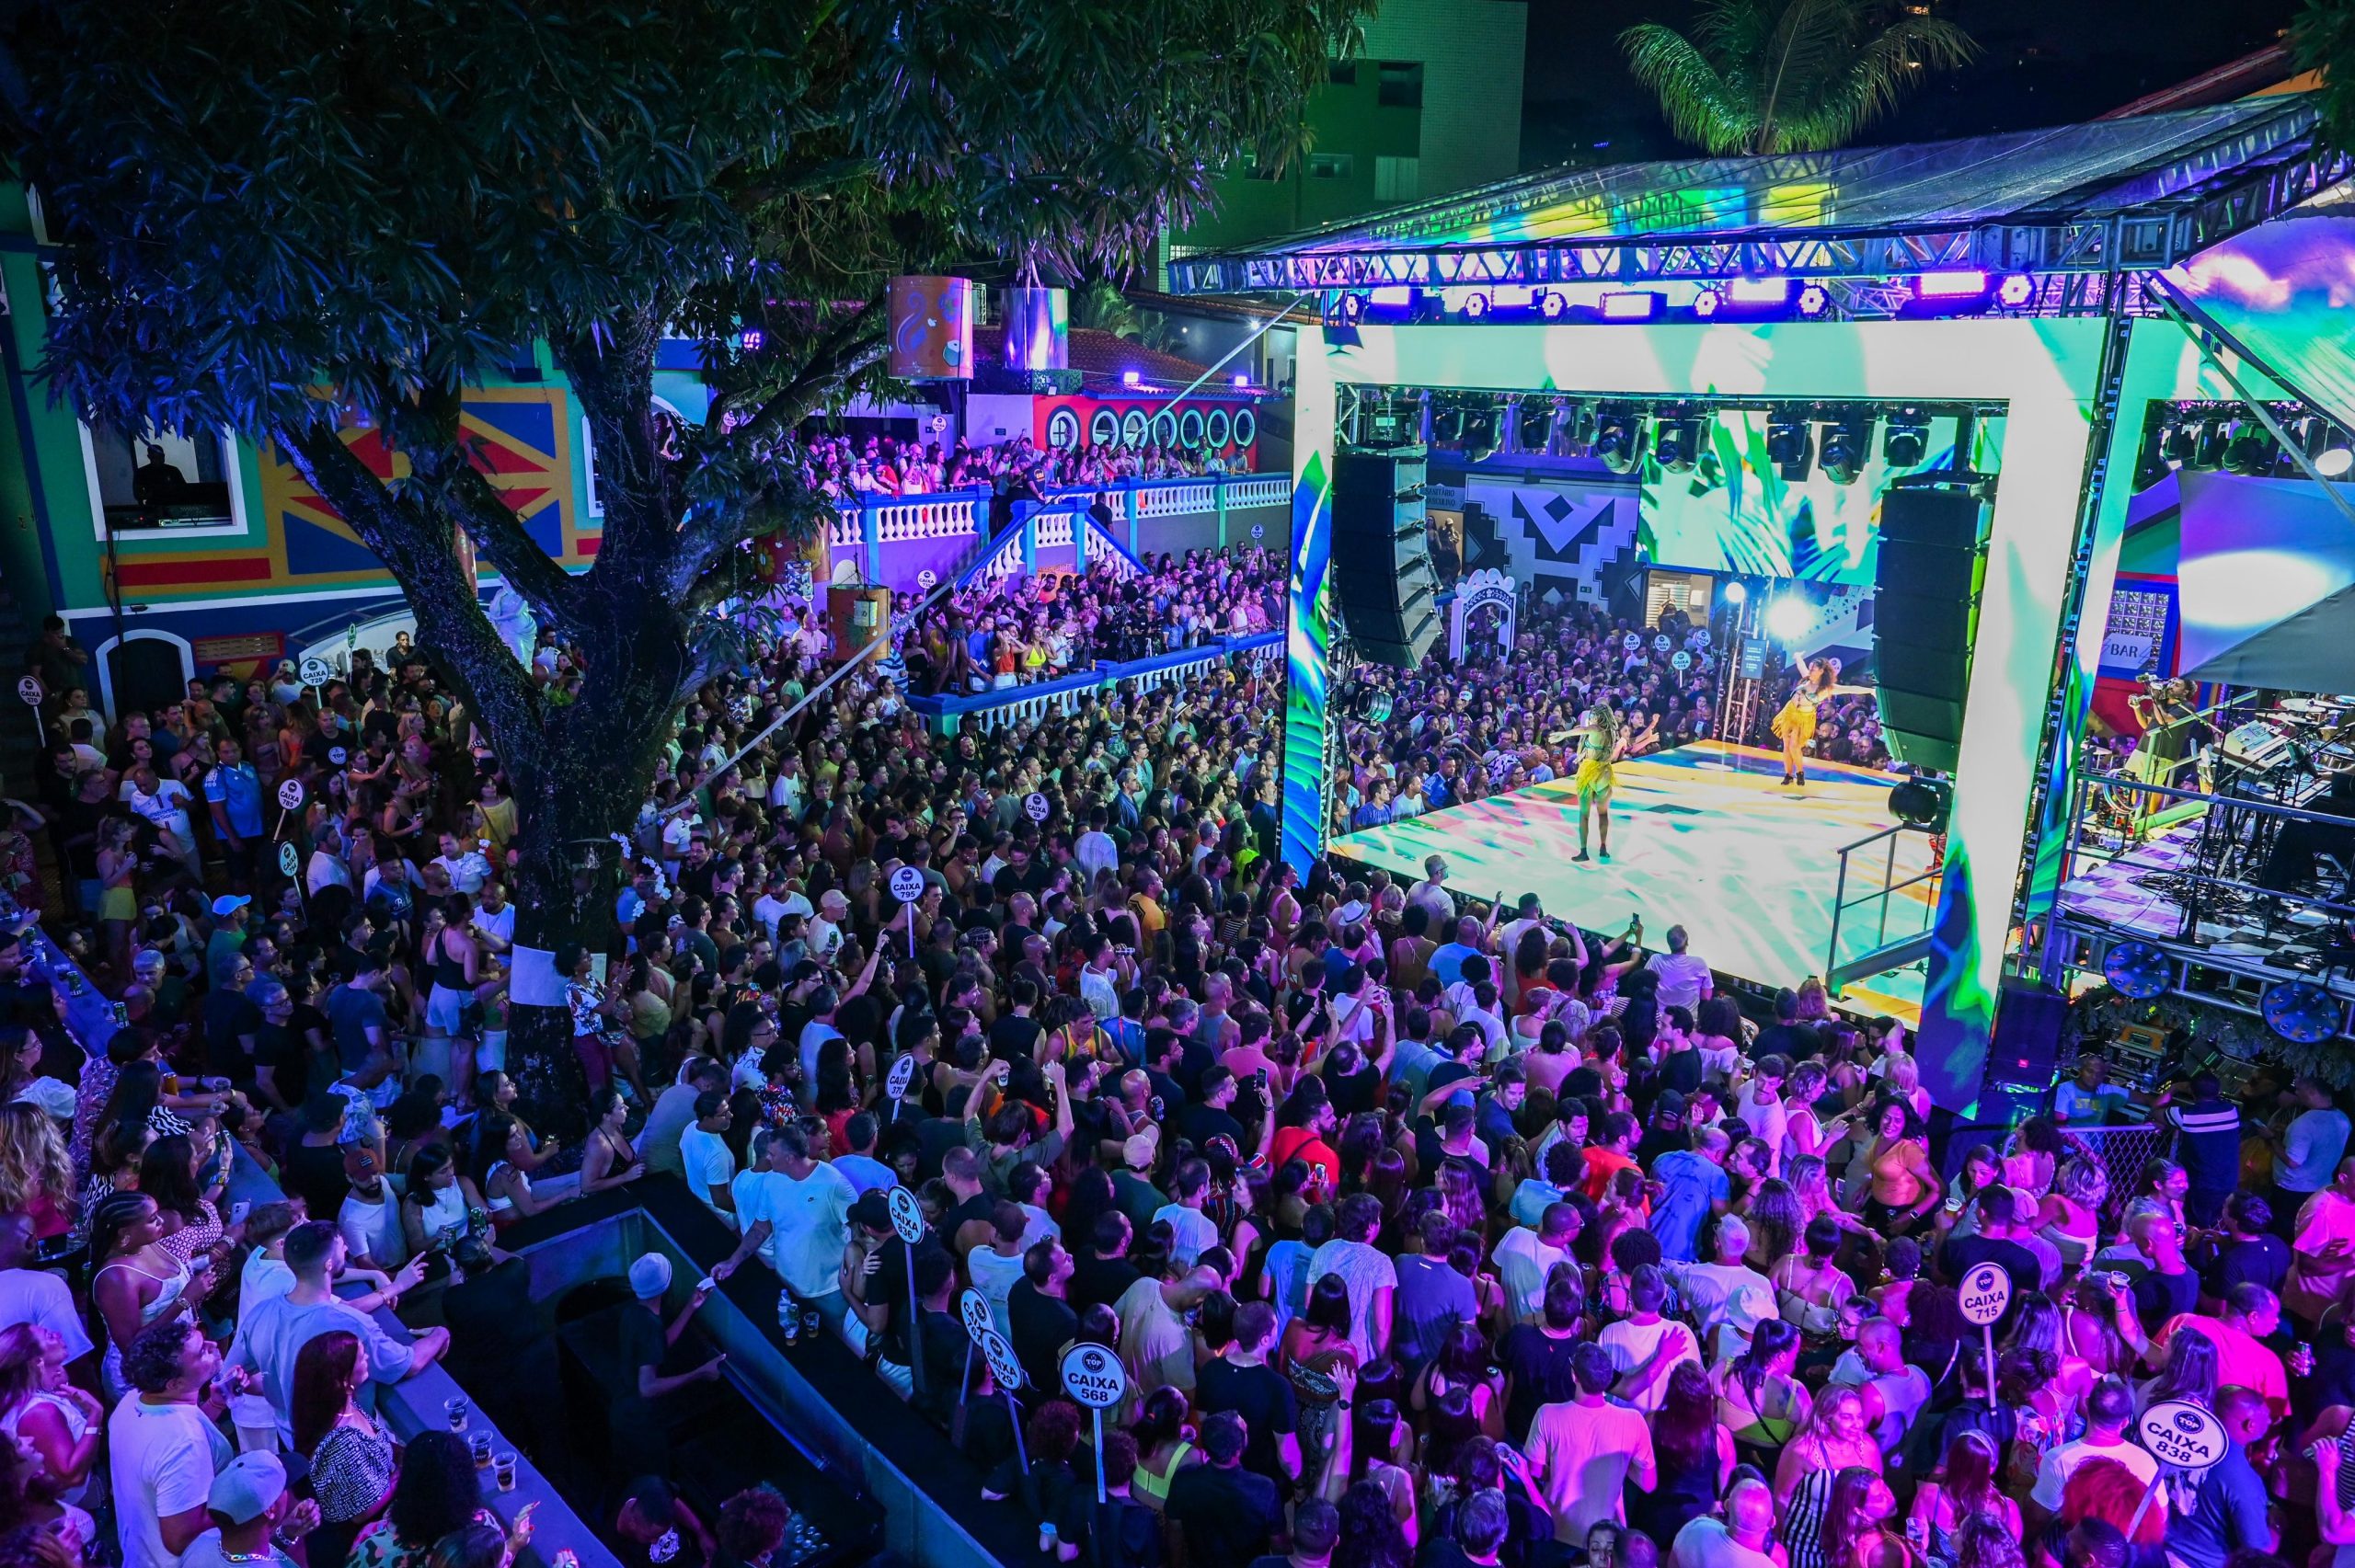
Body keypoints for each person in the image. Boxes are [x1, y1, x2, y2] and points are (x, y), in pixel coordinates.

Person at [226, 1220, 445, 1442]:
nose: (347, 1249)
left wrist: (281, 1388)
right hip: (350, 1443)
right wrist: (440, 1333)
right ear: (329, 1264)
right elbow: (408, 1364)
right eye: (342, 1246)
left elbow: (230, 1378)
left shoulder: (260, 1314)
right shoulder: (350, 1323)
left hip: (292, 1437)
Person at [108, 1316, 236, 1568]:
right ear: (175, 1383)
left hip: (138, 1555)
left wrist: (215, 1404)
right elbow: (179, 1538)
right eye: (201, 1352)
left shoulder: (133, 1400)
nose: (213, 1345)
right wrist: (239, 1501)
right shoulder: (183, 1442)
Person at [1522, 1343, 1656, 1540]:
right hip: (1607, 1537)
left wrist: (1558, 1472)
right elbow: (1648, 1483)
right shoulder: (1634, 1421)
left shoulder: (1547, 1415)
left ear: (1574, 1375)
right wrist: (1620, 1465)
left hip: (1556, 1528)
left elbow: (1534, 1470)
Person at [1165, 1410, 1283, 1568]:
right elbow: (1278, 1543)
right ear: (1239, 1448)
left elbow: (1175, 1530)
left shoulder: (1183, 1479)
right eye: (1245, 1430)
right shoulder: (1264, 1489)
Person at [174, 1452, 322, 1568]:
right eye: (283, 1487)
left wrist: (285, 1535)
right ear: (271, 1510)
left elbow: (246, 1557)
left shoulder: (200, 1544)